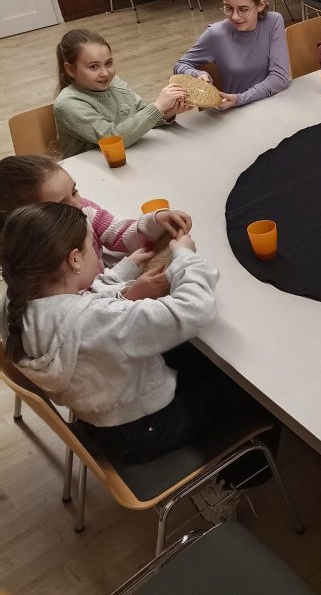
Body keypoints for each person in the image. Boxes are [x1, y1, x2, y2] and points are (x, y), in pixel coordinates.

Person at [0, 202, 272, 519]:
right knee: (252, 388)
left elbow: (80, 306)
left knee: (201, 360)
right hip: (146, 431)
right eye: (90, 246)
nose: (95, 254)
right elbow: (193, 310)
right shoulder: (94, 321)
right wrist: (185, 258)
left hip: (107, 422)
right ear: (74, 259)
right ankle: (232, 483)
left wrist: (127, 272)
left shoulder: (19, 305)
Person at [0, 155, 188, 300]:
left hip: (112, 287)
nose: (78, 205)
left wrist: (154, 222)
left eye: (74, 191)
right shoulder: (43, 266)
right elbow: (85, 309)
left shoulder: (84, 210)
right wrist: (128, 291)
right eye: (62, 205)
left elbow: (119, 233)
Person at [53, 28, 190, 158]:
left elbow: (141, 120)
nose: (105, 73)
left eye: (108, 63)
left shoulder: (116, 83)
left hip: (132, 157)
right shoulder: (67, 104)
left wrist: (166, 112)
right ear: (71, 70)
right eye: (94, 66)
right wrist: (157, 107)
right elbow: (114, 139)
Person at [174, 0, 290, 110]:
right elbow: (180, 65)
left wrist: (241, 98)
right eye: (228, 8)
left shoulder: (274, 22)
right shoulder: (216, 33)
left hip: (274, 105)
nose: (235, 16)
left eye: (243, 9)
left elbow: (279, 77)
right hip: (237, 112)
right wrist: (198, 73)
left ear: (261, 5)